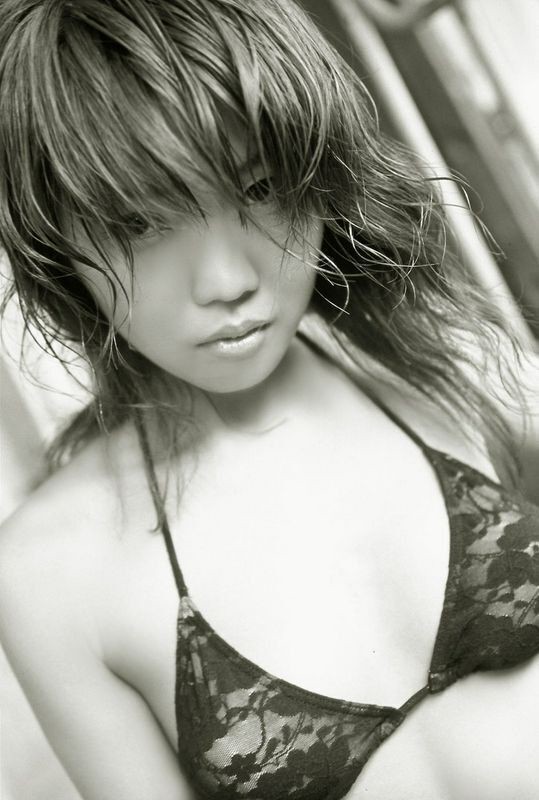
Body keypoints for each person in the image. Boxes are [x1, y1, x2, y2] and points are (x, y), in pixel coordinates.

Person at [0, 1, 538, 798]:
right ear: (57, 244)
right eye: (142, 221)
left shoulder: (440, 361)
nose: (228, 281)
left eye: (257, 187)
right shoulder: (51, 572)